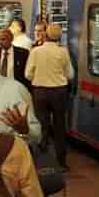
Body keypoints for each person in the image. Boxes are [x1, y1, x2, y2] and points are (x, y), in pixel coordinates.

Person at [25, 24, 74, 170]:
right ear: (59, 37)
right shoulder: (63, 52)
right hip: (59, 92)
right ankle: (61, 162)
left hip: (39, 92)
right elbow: (70, 74)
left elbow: (27, 74)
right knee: (60, 127)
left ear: (45, 35)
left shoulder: (35, 51)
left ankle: (42, 161)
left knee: (41, 127)